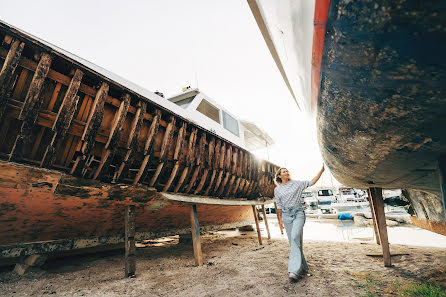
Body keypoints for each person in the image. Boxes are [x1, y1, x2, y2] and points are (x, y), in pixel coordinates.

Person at [274, 164, 325, 281]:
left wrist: (321, 171)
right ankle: (303, 267)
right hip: (286, 216)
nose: (286, 172)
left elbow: (312, 182)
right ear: (279, 176)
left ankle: (293, 271)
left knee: (295, 236)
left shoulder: (297, 184)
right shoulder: (277, 189)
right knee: (295, 242)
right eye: (283, 171)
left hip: (298, 213)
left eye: (287, 171)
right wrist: (280, 220)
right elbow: (279, 206)